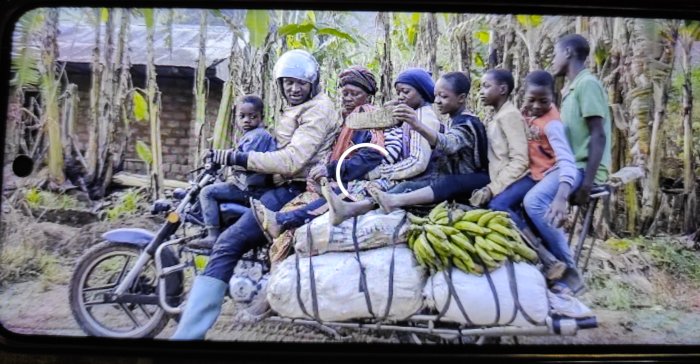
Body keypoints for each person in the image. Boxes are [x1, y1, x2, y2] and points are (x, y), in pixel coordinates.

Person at [171, 49, 341, 340]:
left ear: (313, 82)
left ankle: (187, 336)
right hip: (281, 185)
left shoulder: (318, 109)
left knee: (227, 242)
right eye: (287, 82)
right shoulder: (299, 108)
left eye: (300, 82)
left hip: (298, 188)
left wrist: (236, 158)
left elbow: (291, 160)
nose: (293, 88)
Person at [250, 66, 386, 239]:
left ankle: (281, 221)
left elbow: (371, 155)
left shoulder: (368, 116)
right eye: (345, 94)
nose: (348, 99)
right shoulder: (343, 118)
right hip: (338, 177)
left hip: (354, 181)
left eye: (355, 94)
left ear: (368, 95)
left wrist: (330, 171)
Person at [525, 33, 611, 296]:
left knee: (534, 202)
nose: (554, 59)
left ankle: (571, 273)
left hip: (581, 168)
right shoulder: (570, 89)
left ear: (569, 53)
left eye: (555, 53)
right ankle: (548, 265)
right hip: (568, 167)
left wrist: (587, 182)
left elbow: (598, 133)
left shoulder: (588, 85)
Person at [321, 68, 443, 225]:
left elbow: (417, 163)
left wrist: (380, 173)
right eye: (398, 92)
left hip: (418, 178)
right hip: (405, 174)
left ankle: (349, 209)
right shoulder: (411, 115)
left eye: (406, 91)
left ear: (422, 92)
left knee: (370, 188)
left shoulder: (423, 117)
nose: (401, 97)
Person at [364, 71, 491, 212]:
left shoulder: (467, 123)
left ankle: (386, 202)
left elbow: (448, 144)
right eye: (436, 95)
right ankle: (354, 208)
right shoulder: (452, 120)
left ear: (461, 98)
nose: (437, 100)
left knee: (418, 186)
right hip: (450, 179)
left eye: (443, 96)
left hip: (468, 181)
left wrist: (417, 125)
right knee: (402, 187)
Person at [188, 95, 276, 249]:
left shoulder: (258, 136)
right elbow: (236, 152)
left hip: (252, 189)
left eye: (252, 116)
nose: (246, 120)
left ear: (261, 117)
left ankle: (212, 235)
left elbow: (243, 159)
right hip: (249, 186)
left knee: (207, 192)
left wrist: (219, 156)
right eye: (242, 116)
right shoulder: (252, 135)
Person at [468, 69, 529, 208]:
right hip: (500, 179)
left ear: (502, 89)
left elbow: (520, 160)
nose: (481, 92)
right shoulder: (499, 116)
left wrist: (493, 188)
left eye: (486, 86)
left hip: (513, 180)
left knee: (497, 207)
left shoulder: (510, 115)